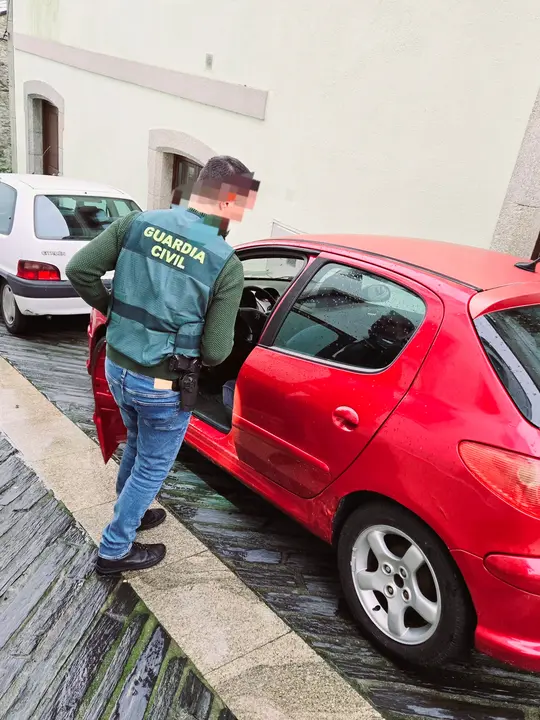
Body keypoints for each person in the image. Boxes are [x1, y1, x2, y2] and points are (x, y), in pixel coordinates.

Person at [66, 156, 259, 575]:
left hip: (117, 369)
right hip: (163, 384)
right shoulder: (225, 262)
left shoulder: (136, 224)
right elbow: (214, 352)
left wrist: (114, 313)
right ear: (226, 201)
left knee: (136, 442)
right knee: (152, 467)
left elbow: (79, 270)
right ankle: (115, 549)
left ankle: (130, 514)